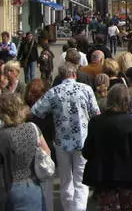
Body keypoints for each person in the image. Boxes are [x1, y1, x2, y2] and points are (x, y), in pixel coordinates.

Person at [32, 62, 100, 211]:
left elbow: (36, 110)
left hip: (61, 141)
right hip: (82, 140)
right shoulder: (86, 89)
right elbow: (96, 113)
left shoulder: (54, 92)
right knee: (80, 180)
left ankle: (69, 208)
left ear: (61, 76)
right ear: (74, 74)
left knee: (66, 179)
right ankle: (79, 209)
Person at [82, 85, 132, 211]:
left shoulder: (96, 121)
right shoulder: (131, 122)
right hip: (127, 178)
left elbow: (87, 151)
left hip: (104, 179)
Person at [0, 93, 51, 211]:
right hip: (33, 185)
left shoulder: (2, 135)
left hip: (10, 187)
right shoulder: (32, 128)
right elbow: (47, 151)